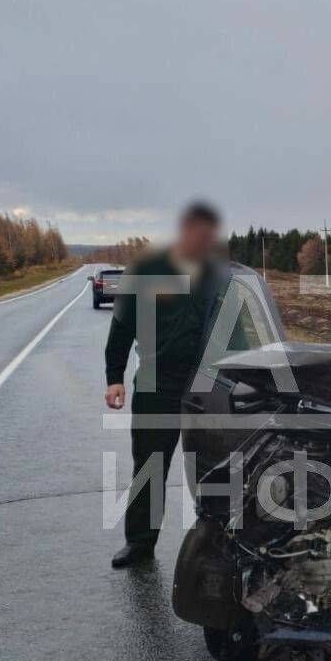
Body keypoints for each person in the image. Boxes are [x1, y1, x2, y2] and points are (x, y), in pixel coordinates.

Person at [105, 200, 224, 568]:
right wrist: (114, 379)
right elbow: (122, 327)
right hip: (157, 386)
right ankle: (140, 543)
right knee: (151, 465)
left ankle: (222, 543)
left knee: (217, 468)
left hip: (208, 387)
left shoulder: (218, 277)